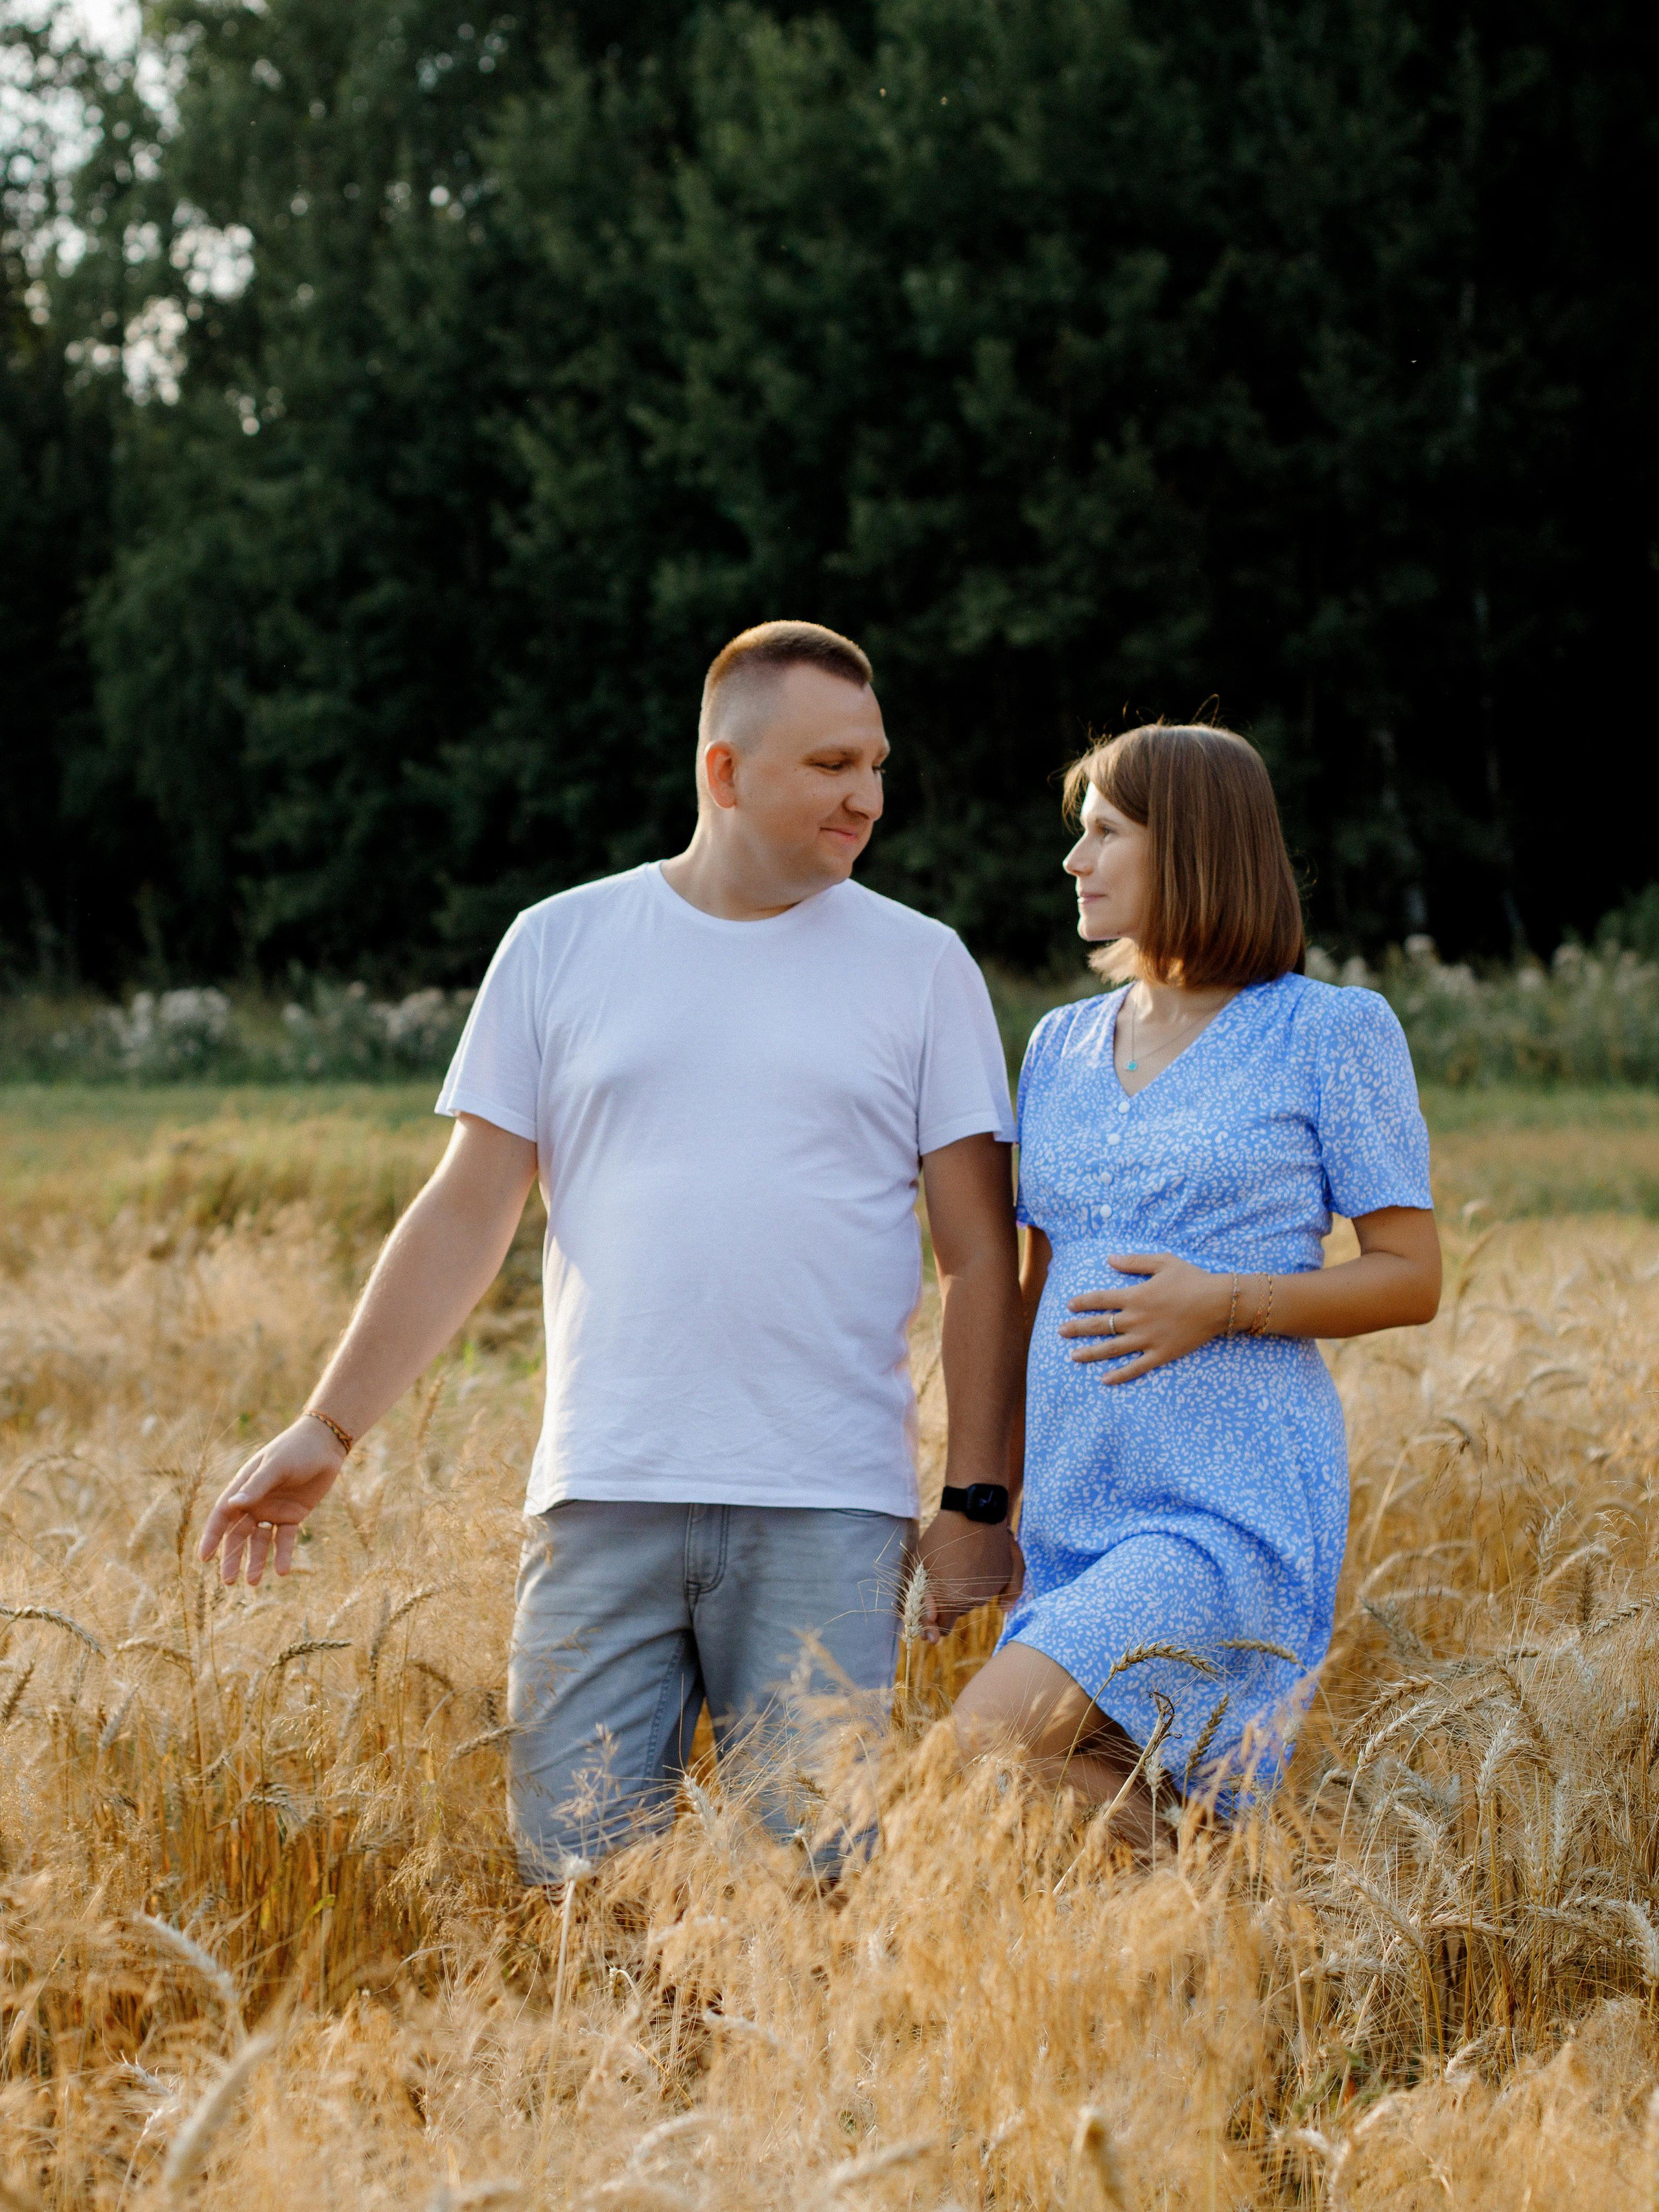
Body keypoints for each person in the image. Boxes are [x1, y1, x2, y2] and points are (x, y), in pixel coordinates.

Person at [198, 620, 1022, 1877]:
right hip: (602, 1496)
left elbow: (977, 1252)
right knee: (573, 1890)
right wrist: (330, 1424)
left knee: (810, 1895)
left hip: (827, 1510)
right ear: (724, 771)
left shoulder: (921, 967)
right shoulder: (557, 944)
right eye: (829, 766)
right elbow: (467, 1208)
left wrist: (974, 1504)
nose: (864, 797)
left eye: (875, 765)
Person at [949, 722, 1441, 1839]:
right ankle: (1240, 1930)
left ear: (1196, 846)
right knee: (1063, 1804)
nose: (1075, 860)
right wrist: (990, 1504)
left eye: (1104, 833)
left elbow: (1412, 1275)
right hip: (1076, 1511)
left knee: (972, 1754)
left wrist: (1221, 1301)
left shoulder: (1331, 1031)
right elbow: (1034, 1296)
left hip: (1226, 1511)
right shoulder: (1059, 1045)